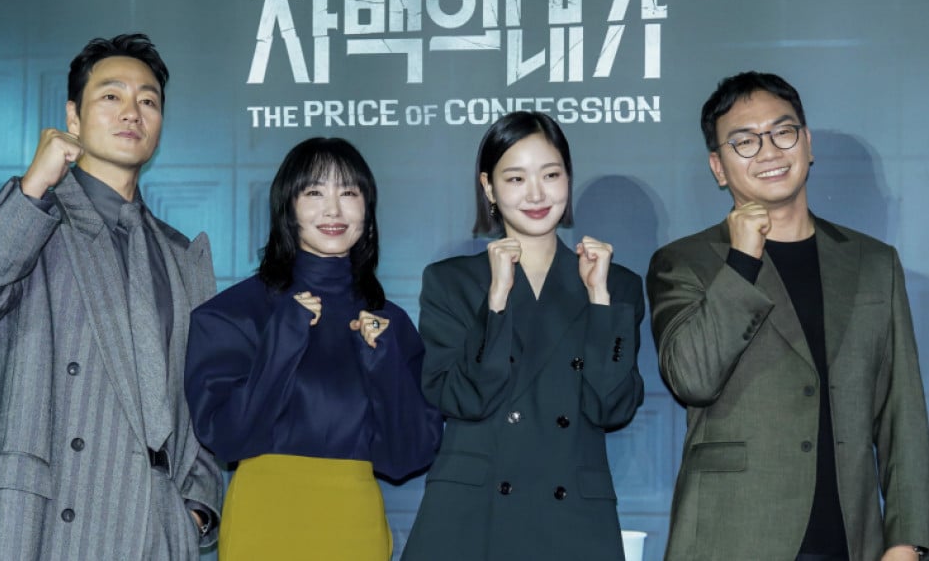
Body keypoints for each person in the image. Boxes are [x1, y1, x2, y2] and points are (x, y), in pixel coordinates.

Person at [0, 34, 223, 559]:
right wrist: (35, 185)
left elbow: (197, 395)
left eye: (148, 101)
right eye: (111, 95)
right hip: (49, 523)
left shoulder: (182, 255)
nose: (132, 112)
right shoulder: (30, 215)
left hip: (154, 529)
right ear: (74, 116)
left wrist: (193, 510)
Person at [646, 71, 929, 561]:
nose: (769, 151)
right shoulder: (684, 262)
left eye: (782, 131)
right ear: (718, 167)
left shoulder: (873, 263)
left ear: (807, 144)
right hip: (731, 539)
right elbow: (692, 378)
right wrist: (741, 261)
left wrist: (908, 541)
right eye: (745, 141)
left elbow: (902, 412)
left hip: (850, 541)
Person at [401, 111, 645, 561]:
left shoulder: (617, 285)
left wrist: (599, 301)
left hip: (571, 517)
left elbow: (612, 408)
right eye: (515, 178)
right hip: (474, 514)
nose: (536, 194)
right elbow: (462, 399)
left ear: (568, 178)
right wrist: (495, 301)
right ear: (489, 187)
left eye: (550, 175)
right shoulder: (451, 281)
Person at [184, 137, 442, 560]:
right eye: (315, 192)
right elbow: (228, 438)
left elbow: (409, 456)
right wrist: (283, 340)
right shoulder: (233, 313)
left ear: (367, 210)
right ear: (288, 207)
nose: (333, 210)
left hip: (355, 525)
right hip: (264, 522)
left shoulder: (389, 325)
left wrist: (384, 363)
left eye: (349, 193)